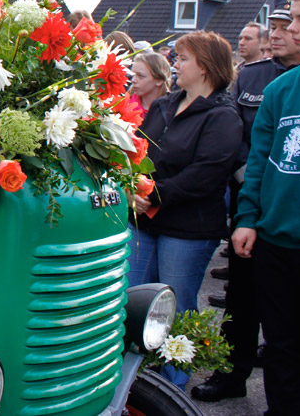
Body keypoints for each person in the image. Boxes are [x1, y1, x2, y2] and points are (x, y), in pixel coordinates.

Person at [193, 0, 300, 402]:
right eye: (273, 28)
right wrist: (249, 181)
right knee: (241, 301)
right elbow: (235, 134)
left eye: (285, 27)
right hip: (249, 202)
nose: (278, 35)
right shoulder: (253, 76)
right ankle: (230, 375)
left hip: (296, 210)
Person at [231, 0, 300, 416]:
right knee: (280, 347)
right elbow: (259, 162)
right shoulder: (281, 89)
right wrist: (247, 218)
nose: (292, 28)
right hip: (273, 242)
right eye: (292, 17)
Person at [128, 31, 241, 390]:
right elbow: (139, 151)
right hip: (144, 220)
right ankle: (133, 381)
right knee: (131, 301)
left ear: (206, 67)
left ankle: (171, 388)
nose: (176, 63)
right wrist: (135, 186)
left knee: (173, 310)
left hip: (187, 228)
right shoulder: (163, 106)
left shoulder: (223, 116)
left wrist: (155, 194)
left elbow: (207, 173)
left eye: (184, 58)